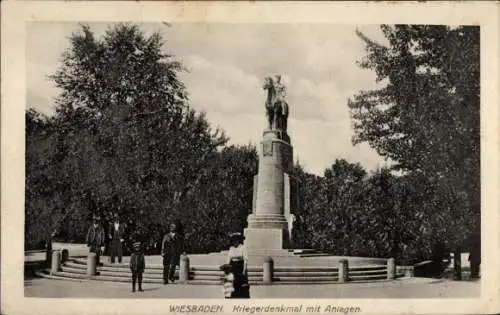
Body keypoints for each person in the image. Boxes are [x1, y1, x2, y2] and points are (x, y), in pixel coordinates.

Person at [226, 232, 250, 298]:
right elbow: (228, 258)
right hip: (233, 266)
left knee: (241, 283)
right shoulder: (231, 248)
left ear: (239, 240)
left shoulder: (243, 248)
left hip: (240, 266)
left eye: (236, 239)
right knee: (232, 282)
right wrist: (227, 268)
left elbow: (245, 259)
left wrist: (244, 269)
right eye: (233, 240)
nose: (234, 241)